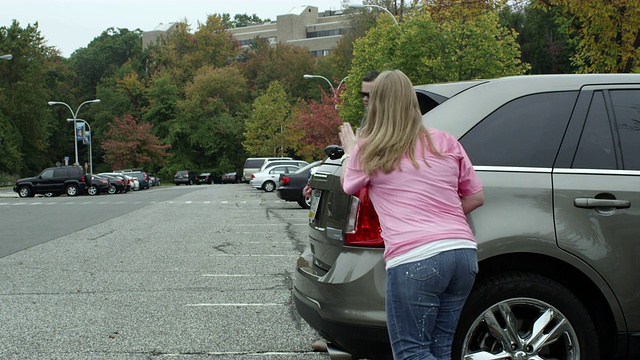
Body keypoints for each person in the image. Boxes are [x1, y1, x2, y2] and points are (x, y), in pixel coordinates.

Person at [338, 70, 484, 360]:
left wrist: (349, 151)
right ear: (412, 101)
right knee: (440, 349)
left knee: (411, 353)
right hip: (463, 255)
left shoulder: (370, 148)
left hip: (415, 259)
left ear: (377, 104)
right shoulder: (446, 141)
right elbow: (475, 196)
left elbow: (348, 185)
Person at [303, 71, 380, 199]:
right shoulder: (367, 127)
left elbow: (350, 183)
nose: (365, 99)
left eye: (370, 95)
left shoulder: (388, 132)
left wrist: (349, 152)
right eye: (363, 94)